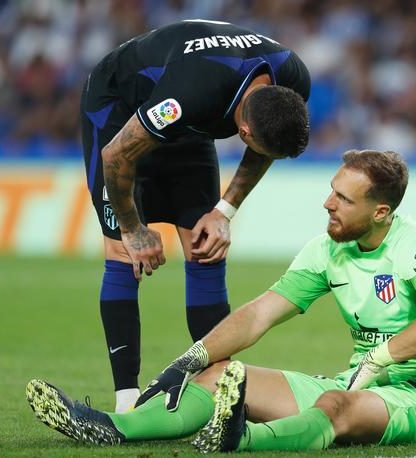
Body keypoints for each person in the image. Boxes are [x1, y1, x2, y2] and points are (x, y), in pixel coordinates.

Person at [27, 150, 416, 451]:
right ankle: (110, 426)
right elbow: (259, 314)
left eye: (343, 198)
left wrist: (378, 359)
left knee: (335, 407)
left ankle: (240, 438)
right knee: (217, 375)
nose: (327, 203)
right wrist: (190, 360)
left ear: (380, 213)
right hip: (353, 378)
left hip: (415, 397)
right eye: (332, 190)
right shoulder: (327, 248)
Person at [80, 19, 310, 412]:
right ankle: (126, 401)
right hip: (119, 108)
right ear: (243, 132)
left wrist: (225, 211)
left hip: (190, 120)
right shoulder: (191, 93)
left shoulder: (292, 80)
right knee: (122, 252)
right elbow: (115, 155)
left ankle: (220, 392)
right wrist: (134, 229)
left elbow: (264, 147)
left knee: (207, 248)